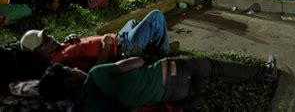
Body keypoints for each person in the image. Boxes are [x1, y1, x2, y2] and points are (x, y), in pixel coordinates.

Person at [38, 55, 277, 110]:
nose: (76, 69)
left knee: (209, 76)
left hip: (172, 95)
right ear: (69, 80)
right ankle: (264, 73)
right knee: (213, 68)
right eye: (71, 69)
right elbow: (138, 61)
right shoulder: (97, 74)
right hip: (178, 73)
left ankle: (193, 99)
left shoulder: (86, 108)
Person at [20, 9, 171, 72]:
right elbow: (95, 73)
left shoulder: (59, 49)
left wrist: (70, 38)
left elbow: (80, 47)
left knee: (132, 22)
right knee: (156, 16)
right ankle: (163, 52)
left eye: (47, 35)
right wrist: (106, 46)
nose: (51, 38)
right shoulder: (61, 61)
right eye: (45, 40)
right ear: (39, 51)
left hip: (118, 39)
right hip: (122, 49)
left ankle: (152, 46)